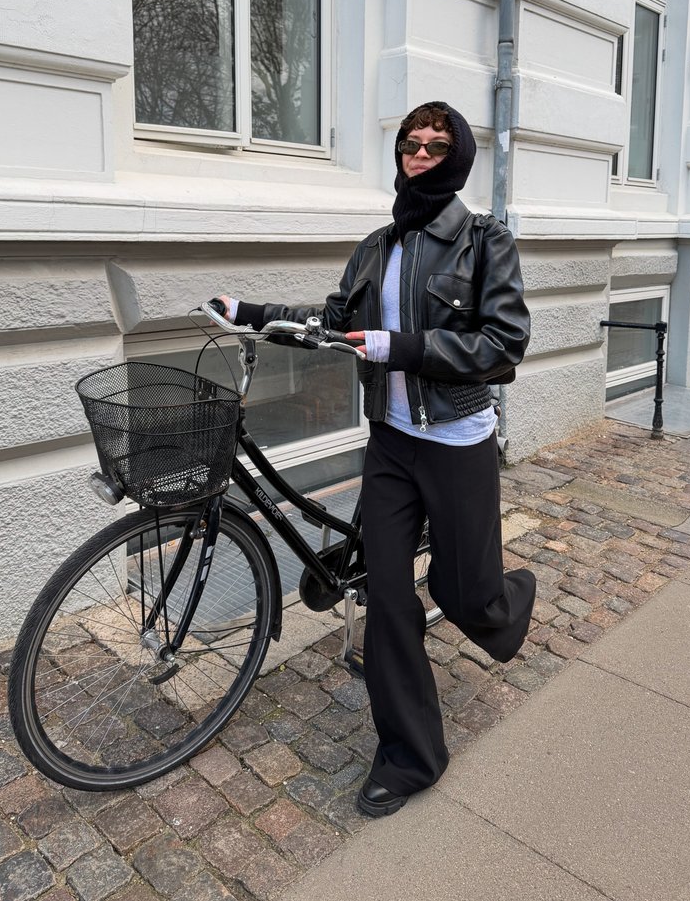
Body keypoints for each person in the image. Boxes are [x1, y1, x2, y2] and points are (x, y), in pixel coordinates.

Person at [217, 101, 536, 817]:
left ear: (455, 158)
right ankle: (411, 755)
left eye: (433, 144)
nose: (417, 154)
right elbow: (331, 325)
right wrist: (251, 312)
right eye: (408, 143)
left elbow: (504, 345)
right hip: (391, 442)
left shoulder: (485, 241)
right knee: (388, 599)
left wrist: (407, 347)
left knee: (466, 598)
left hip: (456, 442)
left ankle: (507, 603)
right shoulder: (374, 247)